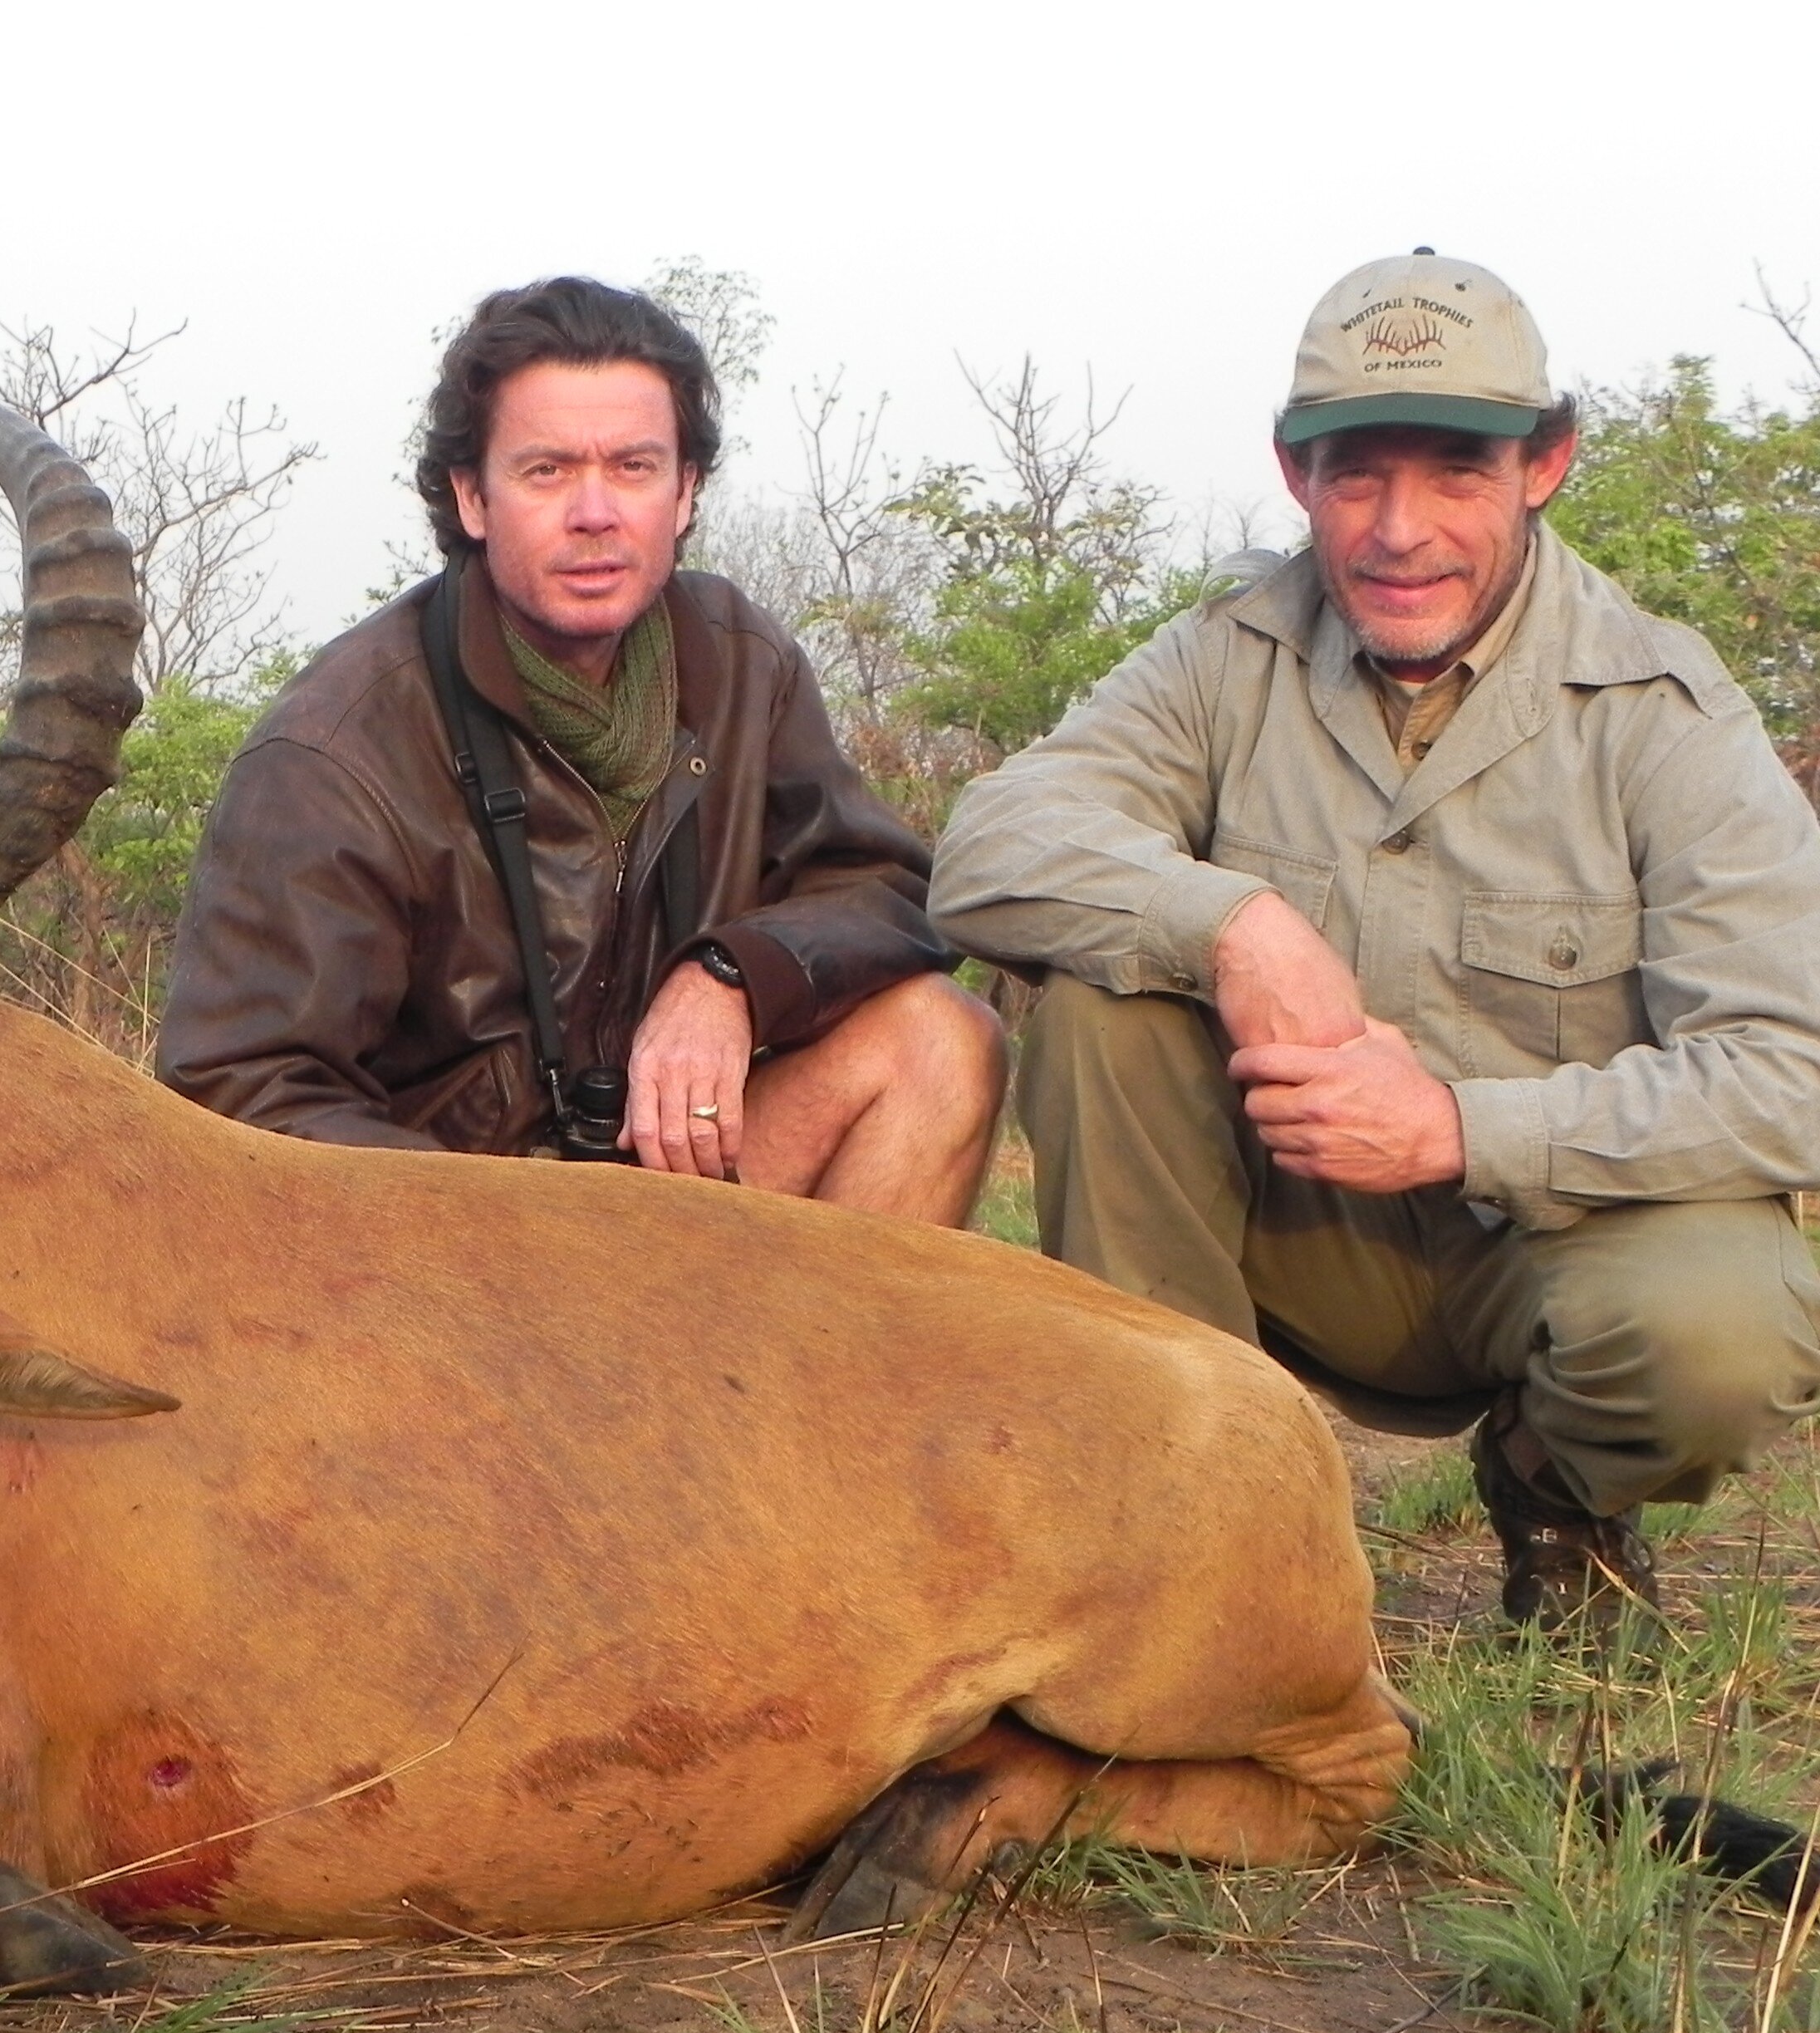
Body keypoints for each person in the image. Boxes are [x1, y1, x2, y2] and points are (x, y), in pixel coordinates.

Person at [930, 250, 1820, 1628]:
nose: (1399, 529)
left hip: (1553, 1245)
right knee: (1104, 1003)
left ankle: (1554, 1489)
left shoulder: (1662, 709)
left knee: (1720, 1336)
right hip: (1281, 1228)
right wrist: (1232, 923)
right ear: (1296, 478)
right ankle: (1191, 1527)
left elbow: (1788, 1074)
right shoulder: (1218, 658)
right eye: (1356, 474)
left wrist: (1458, 1129)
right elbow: (990, 841)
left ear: (1544, 463)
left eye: (1455, 470)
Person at [157, 277, 1005, 1222]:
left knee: (942, 1040)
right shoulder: (333, 747)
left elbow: (885, 890)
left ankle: (823, 1373)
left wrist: (731, 976)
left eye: (635, 467)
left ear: (685, 492)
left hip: (670, 1185)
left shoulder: (738, 659)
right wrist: (524, 1230)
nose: (595, 513)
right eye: (547, 471)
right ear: (472, 497)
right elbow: (236, 1091)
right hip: (449, 1239)